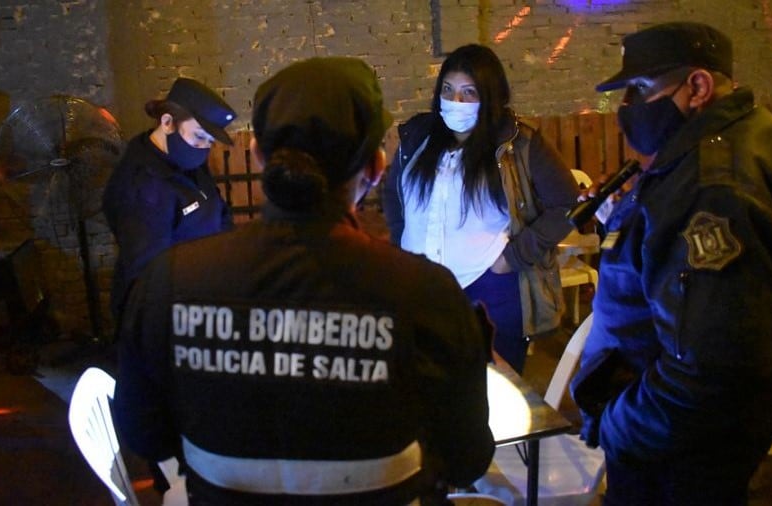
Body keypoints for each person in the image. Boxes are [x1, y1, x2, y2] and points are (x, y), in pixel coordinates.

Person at [112, 57, 495, 505]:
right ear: (375, 167)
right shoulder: (427, 293)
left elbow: (145, 436)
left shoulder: (168, 284)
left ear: (257, 154)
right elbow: (467, 458)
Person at [570, 22, 772, 505]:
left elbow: (705, 374)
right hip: (676, 440)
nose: (627, 109)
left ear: (698, 87)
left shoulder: (715, 187)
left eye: (639, 90)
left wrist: (616, 426)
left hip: (676, 454)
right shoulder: (733, 138)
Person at [382, 44, 580, 374]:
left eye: (468, 92)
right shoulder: (418, 137)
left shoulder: (519, 143)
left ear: (489, 97)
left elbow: (567, 204)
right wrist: (401, 239)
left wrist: (513, 258)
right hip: (420, 289)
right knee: (426, 388)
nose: (455, 102)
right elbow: (393, 192)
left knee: (497, 396)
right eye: (448, 90)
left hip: (490, 291)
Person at [103, 77, 236, 322]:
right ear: (167, 122)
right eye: (199, 136)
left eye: (210, 141)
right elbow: (149, 278)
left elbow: (219, 211)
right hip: (171, 315)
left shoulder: (186, 157)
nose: (204, 147)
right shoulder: (143, 187)